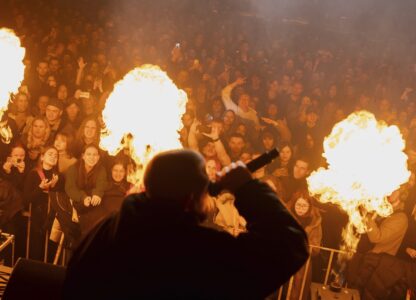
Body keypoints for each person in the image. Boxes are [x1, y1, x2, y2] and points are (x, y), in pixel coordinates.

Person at [63, 149, 308, 299]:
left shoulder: (107, 232)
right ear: (191, 199)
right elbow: (289, 244)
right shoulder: (201, 251)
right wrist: (247, 188)